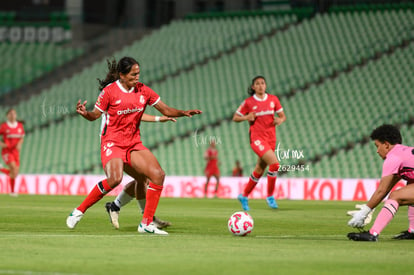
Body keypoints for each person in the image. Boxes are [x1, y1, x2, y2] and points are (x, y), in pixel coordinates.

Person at [66, 57, 202, 235]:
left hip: (133, 143)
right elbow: (95, 115)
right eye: (133, 74)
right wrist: (85, 113)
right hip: (112, 142)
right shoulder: (109, 92)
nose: (137, 77)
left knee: (157, 175)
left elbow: (166, 110)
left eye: (138, 73)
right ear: (122, 75)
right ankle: (79, 211)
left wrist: (183, 112)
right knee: (115, 178)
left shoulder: (143, 90)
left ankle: (146, 223)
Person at [105, 113, 174, 230]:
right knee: (143, 178)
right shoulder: (114, 101)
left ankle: (118, 207)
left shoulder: (126, 101)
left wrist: (158, 119)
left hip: (129, 144)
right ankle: (146, 219)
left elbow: (136, 113)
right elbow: (133, 113)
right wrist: (158, 118)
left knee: (142, 178)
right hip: (117, 146)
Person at [347, 124, 414, 241]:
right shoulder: (404, 153)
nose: (377, 151)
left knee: (396, 196)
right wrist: (370, 209)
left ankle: (373, 234)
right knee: (408, 189)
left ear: (386, 145)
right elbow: (387, 188)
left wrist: (364, 212)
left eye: (377, 146)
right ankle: (413, 231)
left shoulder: (393, 157)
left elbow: (382, 190)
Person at [232, 75, 286, 211]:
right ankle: (270, 196)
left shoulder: (273, 99)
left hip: (271, 138)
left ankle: (244, 195)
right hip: (257, 138)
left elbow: (282, 116)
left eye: (263, 83)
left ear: (265, 85)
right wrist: (247, 117)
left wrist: (280, 120)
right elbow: (235, 117)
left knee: (260, 169)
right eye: (258, 83)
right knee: (275, 164)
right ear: (253, 87)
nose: (261, 85)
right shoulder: (249, 102)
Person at [0, 109, 25, 196]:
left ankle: (12, 191)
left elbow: (21, 137)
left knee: (15, 173)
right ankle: (13, 192)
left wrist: (20, 144)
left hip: (15, 152)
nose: (12, 115)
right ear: (7, 116)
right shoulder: (4, 126)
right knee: (13, 169)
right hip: (7, 151)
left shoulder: (19, 126)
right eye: (10, 114)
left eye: (14, 113)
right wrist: (1, 144)